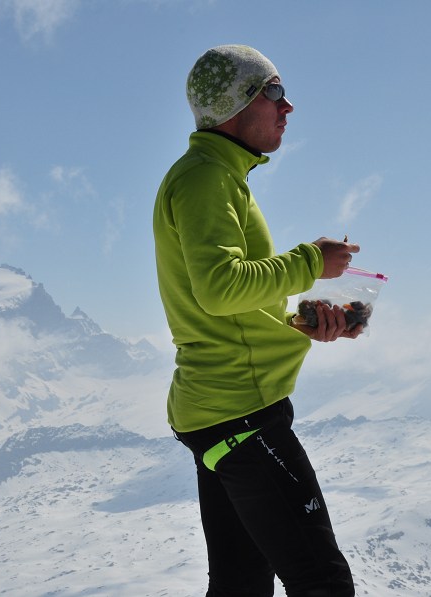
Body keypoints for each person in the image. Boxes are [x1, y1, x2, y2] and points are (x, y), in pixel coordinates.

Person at [152, 44, 360, 596]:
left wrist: (300, 323)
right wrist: (310, 261)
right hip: (240, 414)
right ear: (234, 104)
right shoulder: (205, 180)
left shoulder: (217, 176)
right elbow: (221, 290)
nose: (287, 106)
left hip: (221, 412)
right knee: (324, 583)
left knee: (241, 586)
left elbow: (225, 305)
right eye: (273, 92)